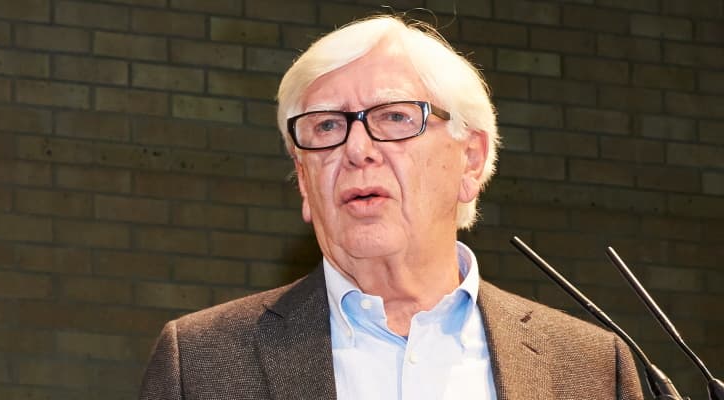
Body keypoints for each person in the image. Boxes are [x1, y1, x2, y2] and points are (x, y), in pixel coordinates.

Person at [139, 15, 643, 400]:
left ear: (471, 160)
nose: (357, 149)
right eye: (327, 126)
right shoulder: (202, 360)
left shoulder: (590, 366)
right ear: (303, 180)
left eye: (397, 117)